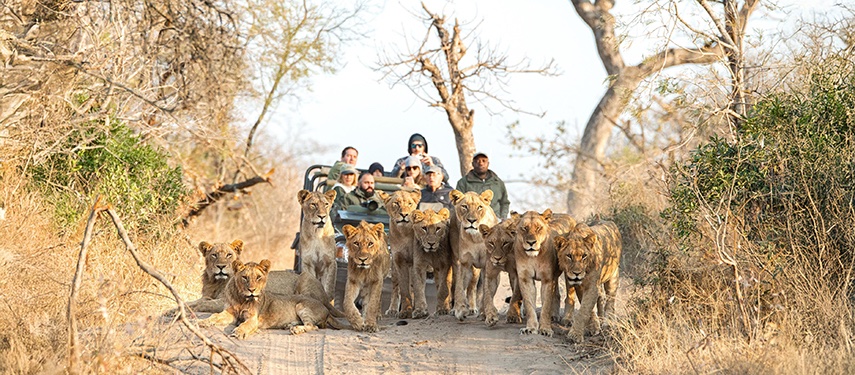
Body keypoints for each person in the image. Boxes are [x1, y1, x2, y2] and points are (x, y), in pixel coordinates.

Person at [455, 152, 510, 218]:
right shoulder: (463, 182)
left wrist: (503, 217)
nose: (481, 163)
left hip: (495, 219)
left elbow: (504, 202)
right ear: (472, 164)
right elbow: (457, 204)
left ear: (488, 163)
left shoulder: (497, 182)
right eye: (477, 161)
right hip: (472, 219)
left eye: (484, 161)